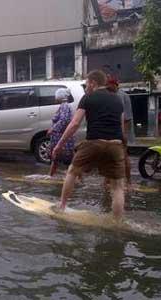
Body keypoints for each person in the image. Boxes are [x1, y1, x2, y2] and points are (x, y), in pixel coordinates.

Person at [52, 70, 126, 219]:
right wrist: (122, 148)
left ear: (93, 83)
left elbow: (74, 124)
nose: (85, 87)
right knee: (117, 187)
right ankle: (117, 222)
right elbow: (121, 126)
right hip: (116, 145)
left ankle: (62, 206)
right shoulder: (118, 99)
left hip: (94, 142)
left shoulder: (88, 97)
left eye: (86, 84)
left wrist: (59, 145)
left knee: (72, 171)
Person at [107, 77, 134, 187]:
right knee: (110, 157)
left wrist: (123, 134)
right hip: (114, 131)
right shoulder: (114, 95)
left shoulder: (120, 96)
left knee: (123, 156)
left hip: (120, 131)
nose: (107, 88)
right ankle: (108, 181)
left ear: (115, 85)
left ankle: (128, 181)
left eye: (109, 85)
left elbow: (126, 118)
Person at [47, 88, 74, 177]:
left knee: (65, 158)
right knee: (57, 158)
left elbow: (64, 119)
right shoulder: (65, 106)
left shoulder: (64, 106)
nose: (55, 98)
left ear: (59, 97)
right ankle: (50, 176)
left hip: (61, 137)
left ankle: (75, 177)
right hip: (61, 136)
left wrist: (53, 129)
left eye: (56, 96)